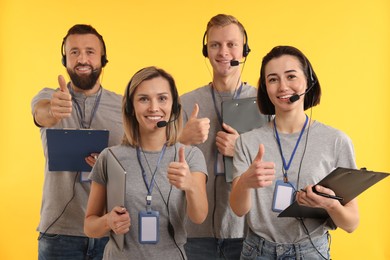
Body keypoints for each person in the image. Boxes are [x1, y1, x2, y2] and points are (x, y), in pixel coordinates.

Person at [230, 45, 360, 259]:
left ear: (308, 80)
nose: (282, 87)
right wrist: (245, 182)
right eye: (273, 79)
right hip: (257, 251)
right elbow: (238, 209)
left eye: (291, 76)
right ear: (265, 88)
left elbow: (351, 223)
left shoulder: (336, 141)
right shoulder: (247, 142)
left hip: (311, 251)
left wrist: (330, 204)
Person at [84, 66, 208, 259]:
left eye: (162, 98)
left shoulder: (190, 156)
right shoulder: (110, 157)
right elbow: (90, 226)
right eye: (143, 99)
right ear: (130, 108)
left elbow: (199, 217)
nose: (153, 107)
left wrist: (191, 185)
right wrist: (108, 221)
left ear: (174, 106)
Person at [31, 24, 124, 259]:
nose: (82, 59)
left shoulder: (124, 106)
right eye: (74, 52)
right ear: (65, 59)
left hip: (108, 230)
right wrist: (53, 110)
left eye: (90, 51)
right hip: (59, 232)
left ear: (103, 58)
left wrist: (108, 168)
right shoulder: (48, 97)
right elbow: (41, 114)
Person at [180, 14, 267, 260]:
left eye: (232, 44)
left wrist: (242, 150)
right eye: (215, 45)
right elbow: (159, 161)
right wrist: (182, 140)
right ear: (205, 51)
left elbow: (279, 166)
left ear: (245, 50)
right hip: (194, 235)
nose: (223, 52)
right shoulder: (185, 103)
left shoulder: (265, 102)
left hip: (248, 232)